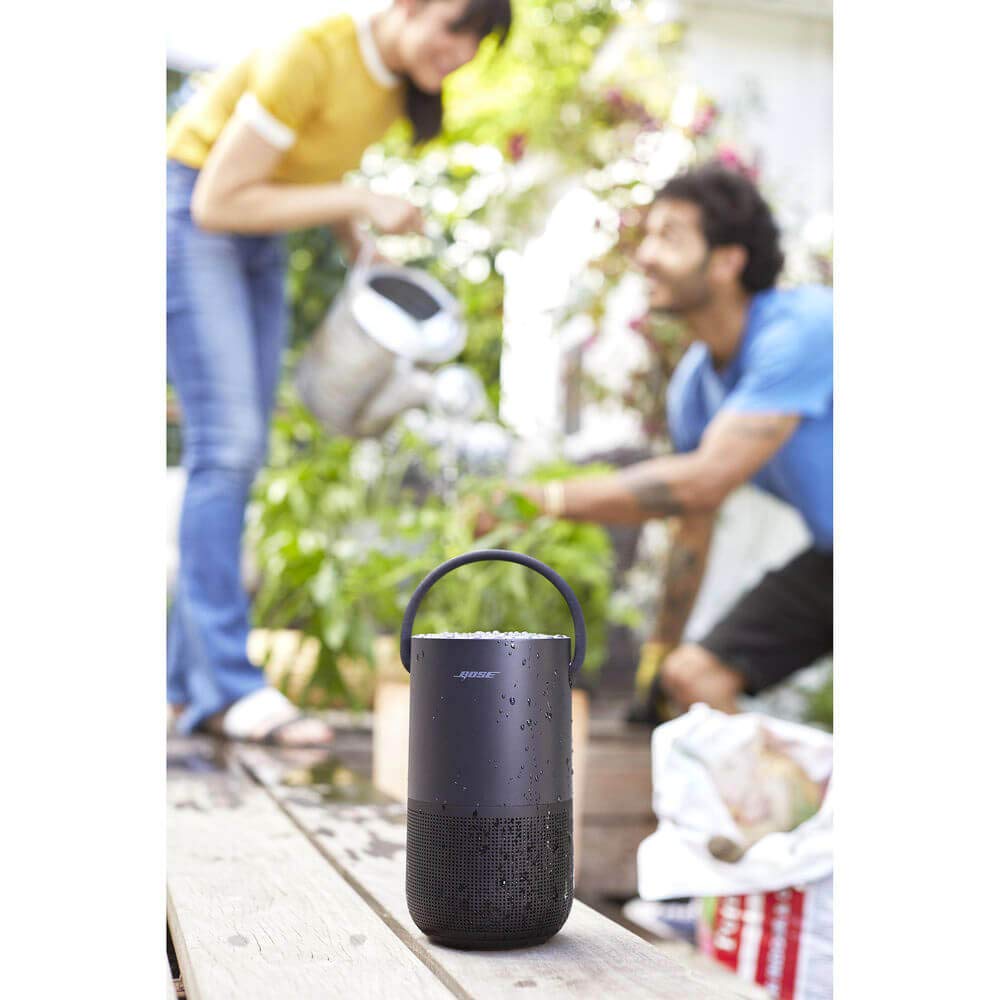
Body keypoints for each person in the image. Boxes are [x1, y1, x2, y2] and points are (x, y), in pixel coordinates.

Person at [167, 0, 512, 746]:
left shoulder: (392, 86)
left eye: (477, 40)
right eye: (456, 25)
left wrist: (356, 244)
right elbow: (218, 198)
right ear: (409, 5)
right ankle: (228, 684)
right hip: (198, 215)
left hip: (257, 237)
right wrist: (360, 200)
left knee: (240, 450)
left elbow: (306, 166)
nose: (461, 50)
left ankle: (179, 688)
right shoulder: (312, 54)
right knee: (226, 449)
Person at [481, 163, 832, 718]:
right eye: (647, 235)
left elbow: (703, 480)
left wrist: (540, 501)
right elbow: (696, 517)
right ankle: (798, 803)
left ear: (727, 261)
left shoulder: (803, 329)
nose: (644, 255)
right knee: (689, 681)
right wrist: (660, 654)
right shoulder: (696, 385)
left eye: (669, 237)